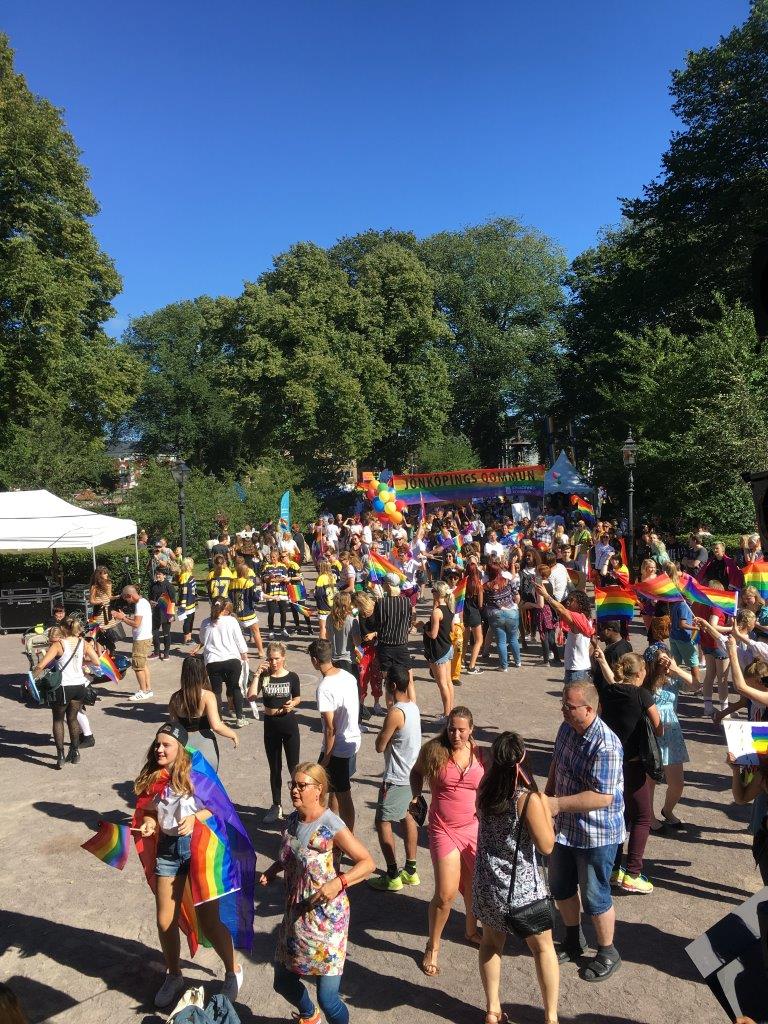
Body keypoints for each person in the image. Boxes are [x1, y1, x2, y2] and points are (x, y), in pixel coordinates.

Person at [133, 723, 253, 1008]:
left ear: (180, 748)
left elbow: (219, 807)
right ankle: (174, 975)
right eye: (157, 744)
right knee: (165, 920)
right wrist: (149, 825)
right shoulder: (154, 776)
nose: (159, 749)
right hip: (168, 851)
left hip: (200, 851)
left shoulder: (195, 773)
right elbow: (148, 811)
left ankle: (232, 971)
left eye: (166, 745)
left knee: (209, 923)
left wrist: (195, 817)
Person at [259, 762, 374, 1024]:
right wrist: (274, 869)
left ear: (318, 789)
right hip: (296, 914)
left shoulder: (331, 824)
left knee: (328, 998)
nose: (294, 790)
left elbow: (367, 863)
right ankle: (309, 1016)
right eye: (293, 784)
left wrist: (338, 883)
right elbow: (292, 854)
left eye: (302, 785)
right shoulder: (292, 820)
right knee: (283, 982)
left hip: (327, 920)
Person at [475, 732, 559, 1024]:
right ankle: (550, 1018)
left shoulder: (485, 788)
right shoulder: (525, 798)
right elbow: (547, 845)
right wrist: (545, 807)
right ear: (523, 758)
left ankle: (492, 1009)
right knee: (543, 948)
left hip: (488, 883)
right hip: (521, 890)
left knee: (490, 943)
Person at [545, 681, 624, 982]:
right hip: (565, 829)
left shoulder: (606, 745)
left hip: (596, 834)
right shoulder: (567, 729)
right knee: (561, 887)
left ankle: (607, 952)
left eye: (569, 706)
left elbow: (602, 797)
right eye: (563, 705)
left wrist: (556, 804)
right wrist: (548, 794)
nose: (563, 710)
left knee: (595, 896)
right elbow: (557, 763)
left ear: (589, 709)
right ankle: (573, 939)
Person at [410, 707, 485, 977]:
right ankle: (433, 946)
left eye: (461, 730)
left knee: (474, 884)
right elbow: (416, 773)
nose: (455, 734)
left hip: (473, 827)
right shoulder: (434, 750)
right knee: (445, 894)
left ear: (471, 729)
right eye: (452, 729)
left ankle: (471, 930)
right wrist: (417, 796)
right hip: (443, 828)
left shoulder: (481, 754)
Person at [592, 650, 662, 893]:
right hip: (633, 764)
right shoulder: (643, 695)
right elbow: (659, 728)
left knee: (619, 816)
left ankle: (613, 869)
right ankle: (633, 873)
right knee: (642, 816)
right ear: (640, 673)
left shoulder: (608, 691)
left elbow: (602, 715)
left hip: (611, 763)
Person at [368, 666, 422, 892]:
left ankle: (392, 876)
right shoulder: (413, 707)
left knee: (382, 822)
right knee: (408, 818)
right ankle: (411, 870)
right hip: (412, 776)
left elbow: (380, 746)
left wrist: (386, 737)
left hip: (396, 778)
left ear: (391, 685)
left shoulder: (395, 713)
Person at [33, 615, 100, 768]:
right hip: (79, 686)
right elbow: (96, 661)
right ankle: (75, 752)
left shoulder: (59, 645)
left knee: (58, 720)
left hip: (63, 687)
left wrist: (31, 679)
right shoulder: (83, 643)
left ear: (62, 628)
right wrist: (80, 661)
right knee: (73, 719)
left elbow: (41, 665)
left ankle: (61, 756)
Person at [642, 648, 697, 830]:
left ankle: (667, 810)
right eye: (661, 662)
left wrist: (677, 669)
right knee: (650, 782)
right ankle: (649, 818)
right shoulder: (644, 681)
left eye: (668, 660)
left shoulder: (673, 679)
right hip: (651, 734)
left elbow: (696, 685)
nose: (666, 665)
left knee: (677, 783)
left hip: (672, 735)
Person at [310, 639, 361, 833]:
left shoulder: (324, 688)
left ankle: (348, 837)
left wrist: (327, 757)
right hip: (352, 740)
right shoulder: (348, 676)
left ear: (315, 661)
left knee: (339, 792)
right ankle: (331, 829)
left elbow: (331, 728)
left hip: (337, 747)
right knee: (335, 790)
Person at [247, 641, 301, 824]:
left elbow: (297, 697)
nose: (273, 662)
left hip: (289, 724)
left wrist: (293, 703)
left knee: (294, 768)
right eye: (270, 659)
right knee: (275, 768)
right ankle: (276, 805)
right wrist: (256, 674)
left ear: (283, 658)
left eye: (277, 658)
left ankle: (299, 806)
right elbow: (251, 696)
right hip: (270, 725)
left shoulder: (292, 676)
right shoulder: (264, 676)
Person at [168, 654, 238, 771]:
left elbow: (175, 726)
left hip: (183, 745)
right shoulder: (207, 696)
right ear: (202, 673)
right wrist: (232, 734)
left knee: (184, 778)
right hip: (205, 743)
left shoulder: (175, 698)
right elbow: (216, 726)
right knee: (207, 778)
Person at [195, 599, 250, 728]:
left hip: (213, 661)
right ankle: (239, 717)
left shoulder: (205, 622)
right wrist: (244, 653)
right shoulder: (231, 621)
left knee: (216, 691)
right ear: (225, 609)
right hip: (232, 659)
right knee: (235, 687)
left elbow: (202, 639)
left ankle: (218, 719)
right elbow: (239, 639)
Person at [536, 586, 595, 684]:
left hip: (576, 671)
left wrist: (545, 595)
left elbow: (561, 610)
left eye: (572, 600)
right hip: (582, 668)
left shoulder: (578, 618)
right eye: (568, 599)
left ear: (580, 605)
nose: (568, 602)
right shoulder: (587, 619)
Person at [372, 573, 414, 696]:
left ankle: (392, 706)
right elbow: (409, 622)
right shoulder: (407, 601)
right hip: (401, 646)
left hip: (385, 647)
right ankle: (412, 706)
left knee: (389, 682)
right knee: (409, 682)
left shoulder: (381, 603)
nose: (382, 585)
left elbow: (376, 624)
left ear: (389, 585)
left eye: (384, 583)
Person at [113, 586, 154, 702]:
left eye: (126, 598)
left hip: (141, 639)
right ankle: (148, 690)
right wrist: (125, 617)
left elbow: (136, 624)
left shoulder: (140, 605)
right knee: (143, 664)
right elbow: (138, 620)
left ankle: (143, 691)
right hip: (145, 637)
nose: (126, 601)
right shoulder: (144, 601)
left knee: (138, 666)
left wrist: (123, 618)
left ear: (129, 595)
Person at [423, 581, 455, 719]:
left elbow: (433, 634)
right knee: (448, 682)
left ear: (437, 593)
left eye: (433, 591)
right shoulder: (449, 608)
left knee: (442, 684)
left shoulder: (437, 612)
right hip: (447, 647)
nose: (431, 593)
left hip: (439, 649)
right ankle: (450, 711)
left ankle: (446, 714)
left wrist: (423, 627)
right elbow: (452, 629)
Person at [352, 591, 384, 719]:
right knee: (361, 676)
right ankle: (361, 705)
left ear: (361, 603)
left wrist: (374, 634)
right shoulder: (357, 612)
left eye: (357, 605)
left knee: (377, 676)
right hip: (363, 649)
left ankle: (377, 703)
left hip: (377, 647)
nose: (356, 608)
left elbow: (385, 628)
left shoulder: (378, 608)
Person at [484, 562, 521, 672]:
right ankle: (518, 661)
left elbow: (484, 600)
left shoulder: (487, 586)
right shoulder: (507, 580)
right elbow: (516, 595)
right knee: (513, 638)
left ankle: (504, 666)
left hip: (496, 614)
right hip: (512, 612)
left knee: (501, 641)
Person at [230, 554, 265, 655]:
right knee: (256, 631)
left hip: (236, 612)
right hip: (248, 611)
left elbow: (230, 598)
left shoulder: (232, 583)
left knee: (239, 634)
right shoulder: (248, 583)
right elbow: (256, 598)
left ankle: (242, 652)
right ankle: (261, 651)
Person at [328, 593, 362, 679]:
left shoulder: (329, 618)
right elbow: (357, 642)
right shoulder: (352, 620)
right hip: (348, 660)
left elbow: (328, 636)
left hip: (333, 659)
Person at [262, 548, 291, 637]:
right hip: (271, 593)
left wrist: (273, 579)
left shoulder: (283, 566)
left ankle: (283, 629)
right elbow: (264, 579)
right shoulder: (267, 566)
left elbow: (285, 578)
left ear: (277, 557)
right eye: (271, 557)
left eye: (274, 557)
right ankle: (271, 630)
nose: (272, 559)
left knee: (283, 612)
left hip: (282, 592)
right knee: (271, 613)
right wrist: (270, 578)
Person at [149, 566, 175, 662]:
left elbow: (173, 600)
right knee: (154, 632)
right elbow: (150, 597)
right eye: (157, 574)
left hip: (166, 613)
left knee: (166, 633)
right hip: (155, 613)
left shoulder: (169, 586)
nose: (157, 576)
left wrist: (172, 615)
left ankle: (166, 653)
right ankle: (156, 652)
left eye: (159, 574)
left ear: (164, 575)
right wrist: (151, 602)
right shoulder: (153, 585)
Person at [464, 559, 485, 674]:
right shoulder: (478, 586)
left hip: (464, 612)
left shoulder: (463, 583)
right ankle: (472, 666)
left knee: (465, 639)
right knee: (479, 640)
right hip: (474, 613)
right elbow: (480, 605)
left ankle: (461, 661)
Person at [175, 556, 197, 644]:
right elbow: (184, 592)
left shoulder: (189, 574)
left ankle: (189, 637)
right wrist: (183, 605)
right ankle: (186, 639)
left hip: (192, 600)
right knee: (187, 621)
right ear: (188, 565)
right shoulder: (185, 576)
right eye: (192, 563)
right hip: (187, 602)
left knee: (191, 620)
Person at [314, 559, 337, 641]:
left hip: (323, 606)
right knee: (331, 627)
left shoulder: (321, 577)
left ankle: (322, 645)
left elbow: (318, 593)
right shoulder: (332, 577)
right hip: (332, 605)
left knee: (323, 627)